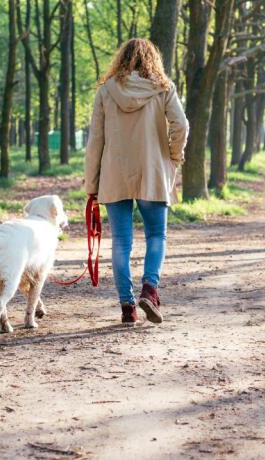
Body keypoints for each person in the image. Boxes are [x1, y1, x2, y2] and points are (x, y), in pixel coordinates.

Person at [83, 38, 189, 325]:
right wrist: (173, 157)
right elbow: (182, 125)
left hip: (114, 173)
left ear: (122, 59)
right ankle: (150, 289)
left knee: (121, 241)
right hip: (153, 171)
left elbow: (95, 141)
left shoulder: (106, 91)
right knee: (157, 235)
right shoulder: (163, 88)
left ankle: (127, 306)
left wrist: (91, 185)